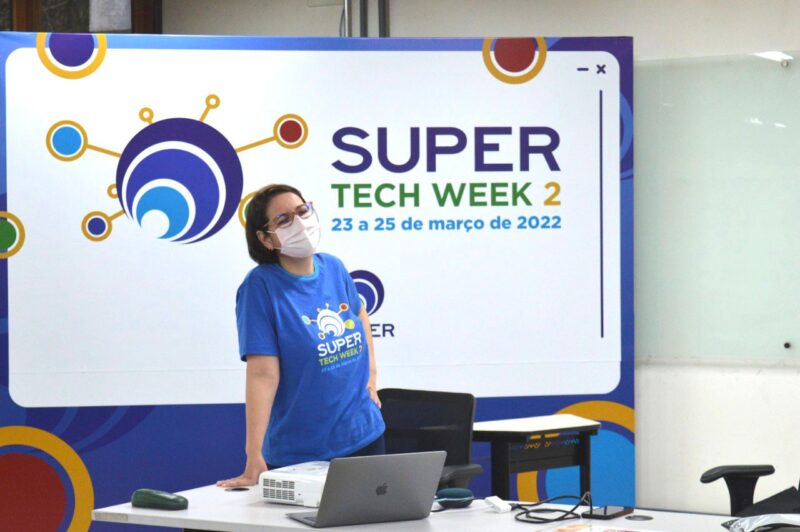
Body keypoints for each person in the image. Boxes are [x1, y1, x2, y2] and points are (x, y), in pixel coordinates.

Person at [217, 184, 385, 488]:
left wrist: (371, 378)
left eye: (302, 211)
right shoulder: (260, 287)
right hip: (301, 452)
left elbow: (360, 315)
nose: (299, 222)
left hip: (364, 436)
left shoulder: (333, 267)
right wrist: (254, 453)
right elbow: (262, 374)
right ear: (265, 238)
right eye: (283, 219)